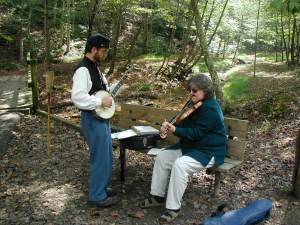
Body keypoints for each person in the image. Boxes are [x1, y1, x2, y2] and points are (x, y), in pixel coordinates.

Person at [140, 74, 227, 223]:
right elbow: (183, 122)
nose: (191, 93)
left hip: (209, 150)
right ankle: (157, 197)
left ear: (205, 91)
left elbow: (196, 133)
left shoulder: (211, 109)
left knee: (180, 165)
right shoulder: (194, 103)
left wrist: (175, 130)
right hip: (192, 146)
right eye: (190, 90)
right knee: (162, 157)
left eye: (195, 90)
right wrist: (168, 126)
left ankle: (173, 208)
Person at [71, 33, 117, 207]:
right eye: (104, 51)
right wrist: (99, 101)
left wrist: (111, 90)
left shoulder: (95, 67)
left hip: (101, 118)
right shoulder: (83, 69)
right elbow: (78, 97)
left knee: (107, 156)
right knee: (99, 158)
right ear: (94, 49)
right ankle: (97, 196)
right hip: (92, 119)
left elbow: (100, 90)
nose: (105, 54)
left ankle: (101, 188)